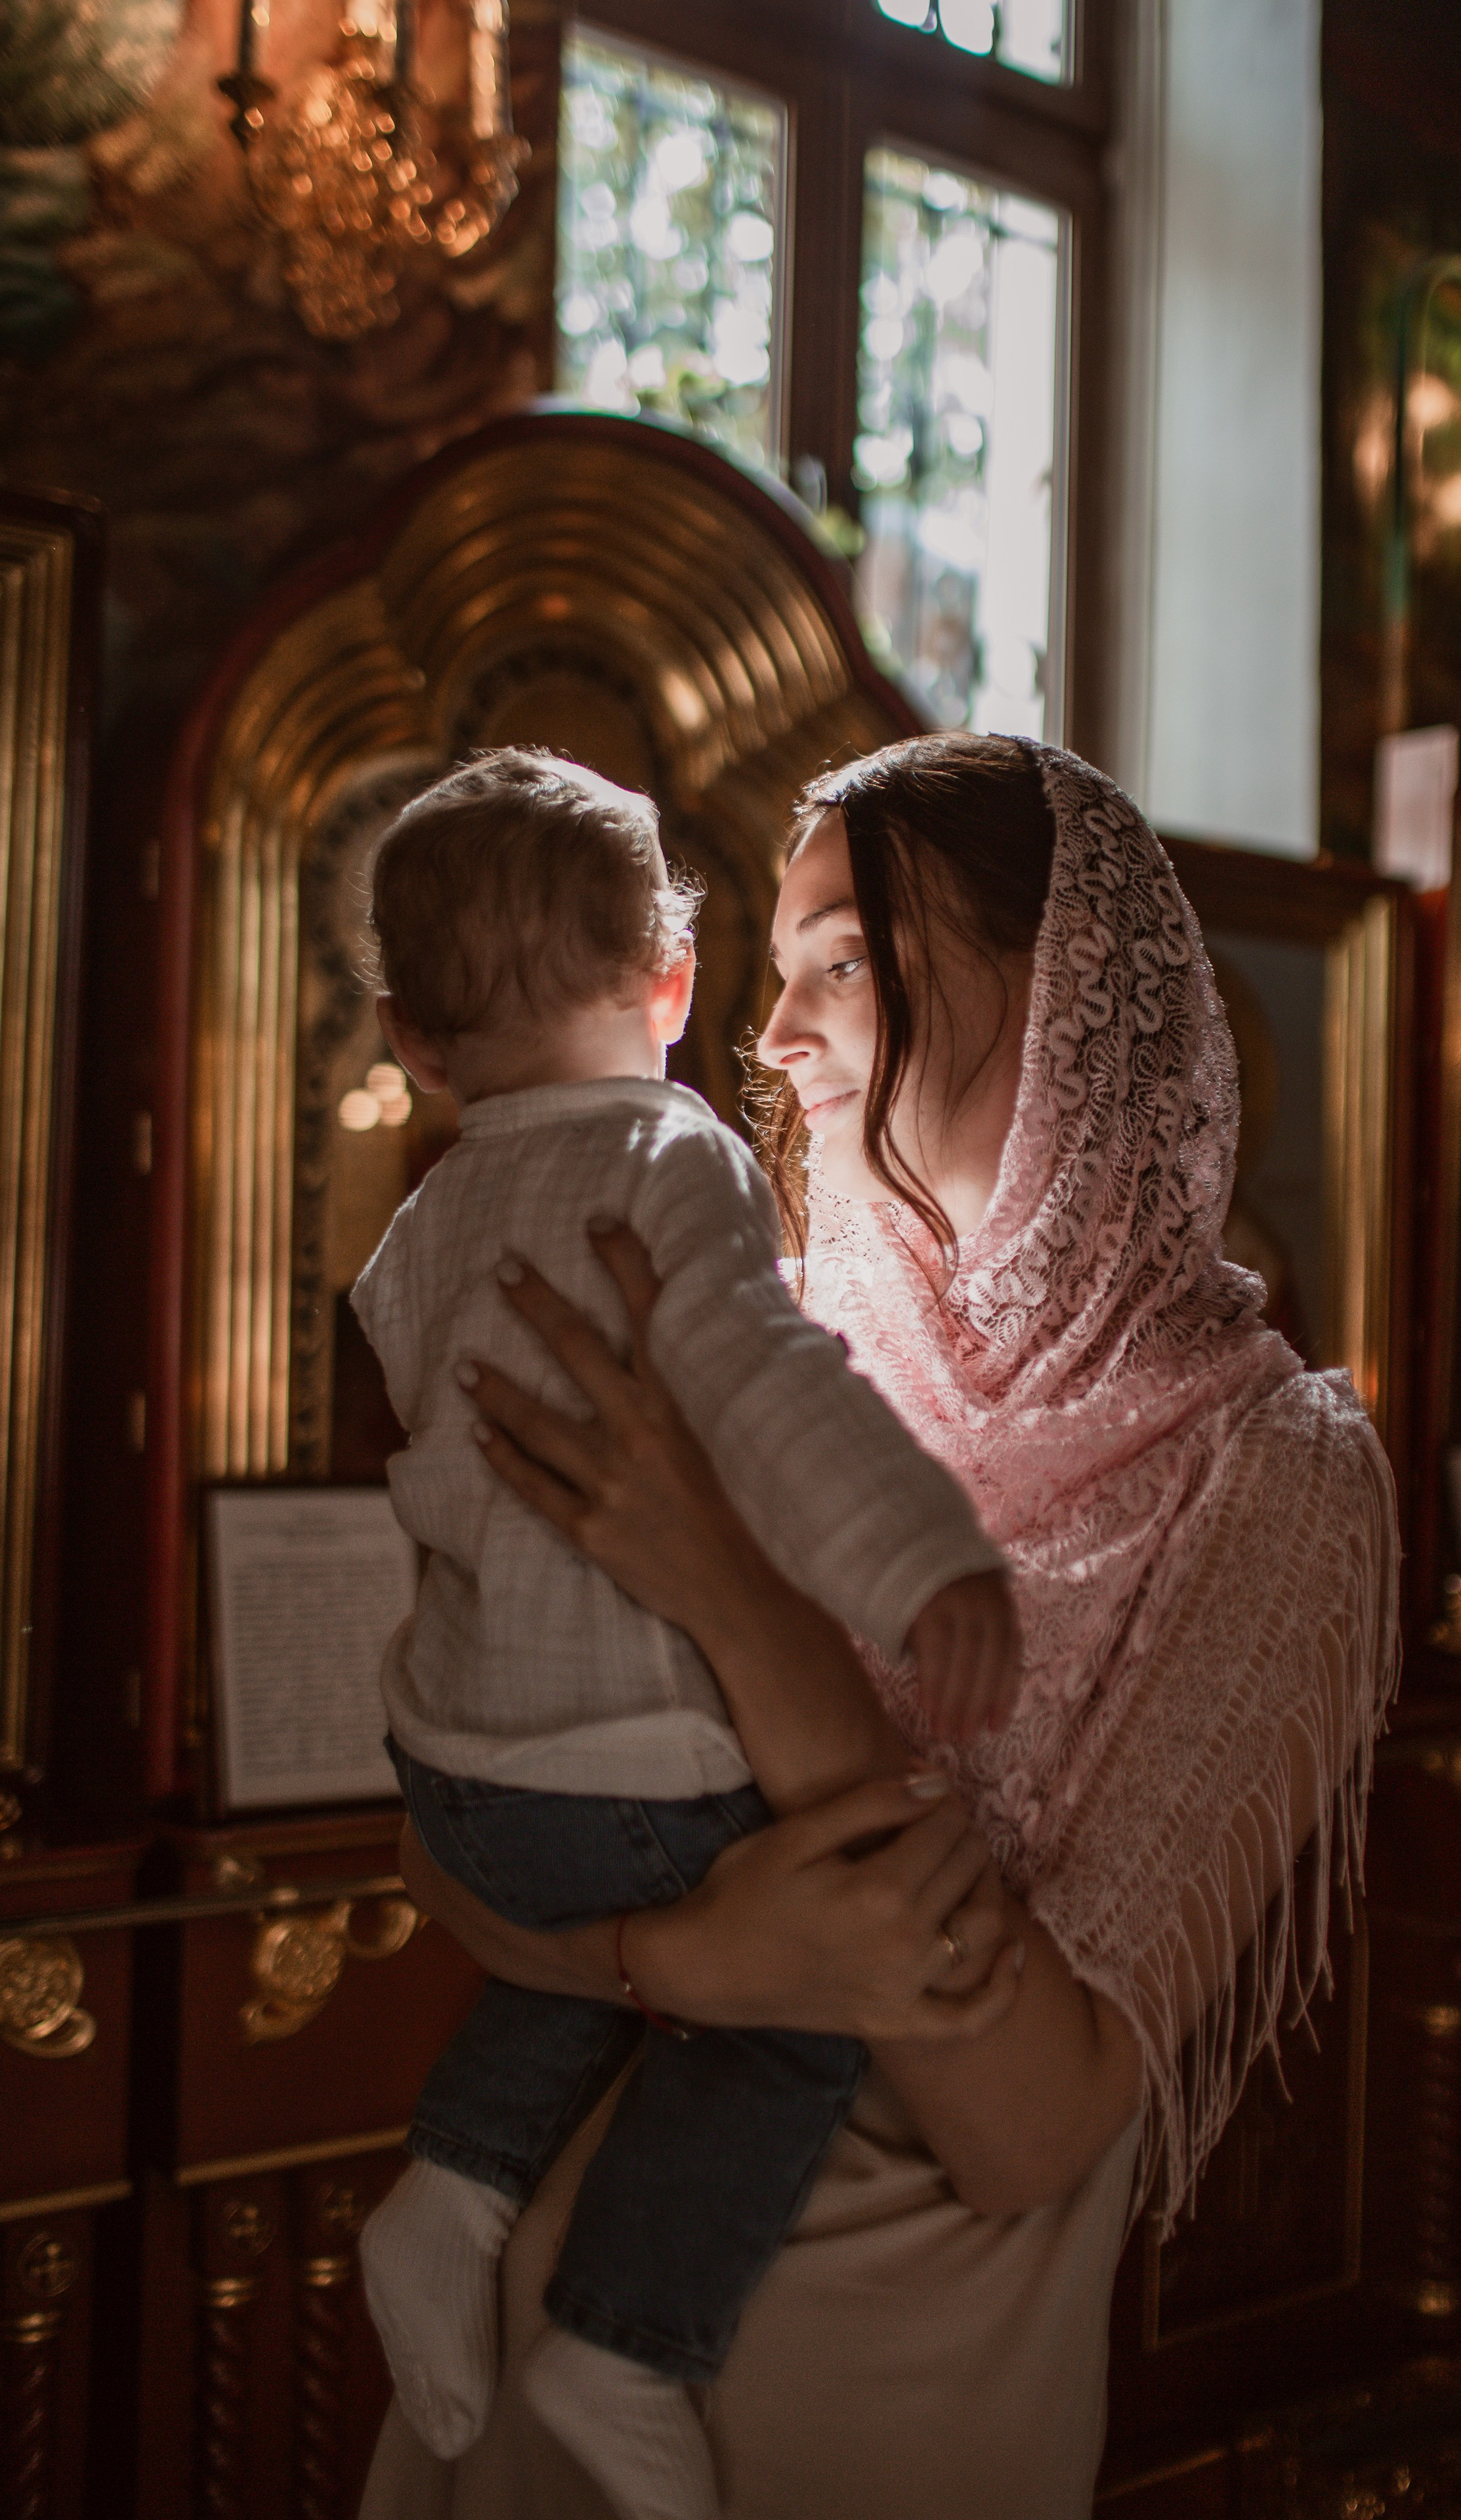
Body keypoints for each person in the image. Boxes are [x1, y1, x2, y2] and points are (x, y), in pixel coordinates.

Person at [360, 734, 1401, 2520]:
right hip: (541, 2382)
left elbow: (1032, 2126)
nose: (770, 1036)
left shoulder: (1278, 1465)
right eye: (773, 972)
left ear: (1056, 988)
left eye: (845, 956)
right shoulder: (758, 1331)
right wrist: (670, 1967)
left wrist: (732, 1595)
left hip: (890, 2414)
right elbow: (460, 1834)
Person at [350, 749, 1021, 2520]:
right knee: (802, 1984)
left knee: (581, 1931)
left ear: (414, 1047)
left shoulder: (420, 1219)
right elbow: (768, 1390)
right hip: (632, 1761)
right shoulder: (669, 1155)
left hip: (459, 1757)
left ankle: (455, 2187)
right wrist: (920, 1565)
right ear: (669, 989)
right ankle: (628, 2342)